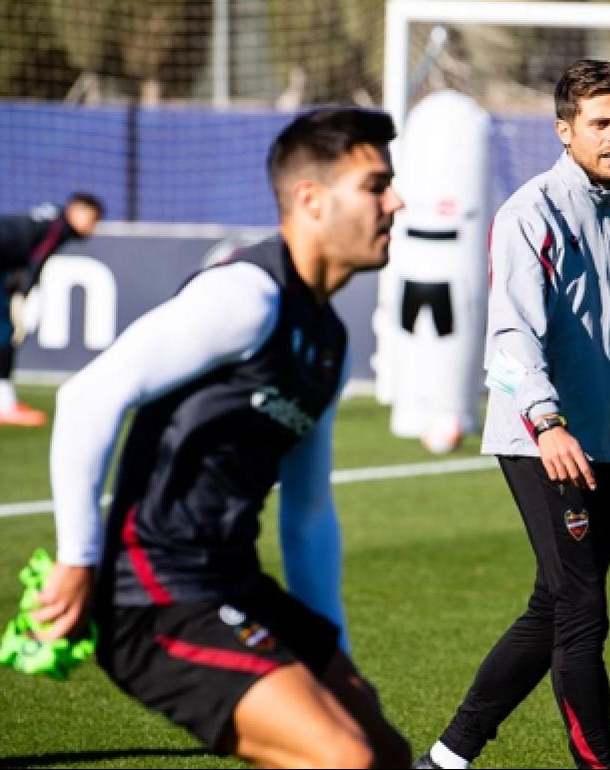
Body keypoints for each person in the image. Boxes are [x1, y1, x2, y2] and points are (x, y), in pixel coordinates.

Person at [30, 107, 410, 769]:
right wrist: (76, 558)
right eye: (377, 185)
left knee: (384, 751)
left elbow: (308, 512)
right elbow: (89, 395)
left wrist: (330, 647)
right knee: (345, 761)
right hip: (151, 595)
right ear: (311, 199)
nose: (395, 202)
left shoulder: (330, 343)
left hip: (236, 584)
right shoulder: (246, 297)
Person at [416, 59, 610, 770]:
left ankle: (450, 756)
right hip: (542, 442)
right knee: (582, 615)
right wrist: (546, 421)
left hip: (606, 446)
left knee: (553, 608)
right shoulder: (529, 212)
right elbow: (510, 338)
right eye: (600, 123)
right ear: (564, 130)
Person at [0, 192, 104, 426]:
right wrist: (22, 295)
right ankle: (4, 405)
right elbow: (37, 260)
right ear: (76, 211)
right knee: (2, 328)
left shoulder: (49, 219)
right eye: (92, 220)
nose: (93, 228)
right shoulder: (57, 227)